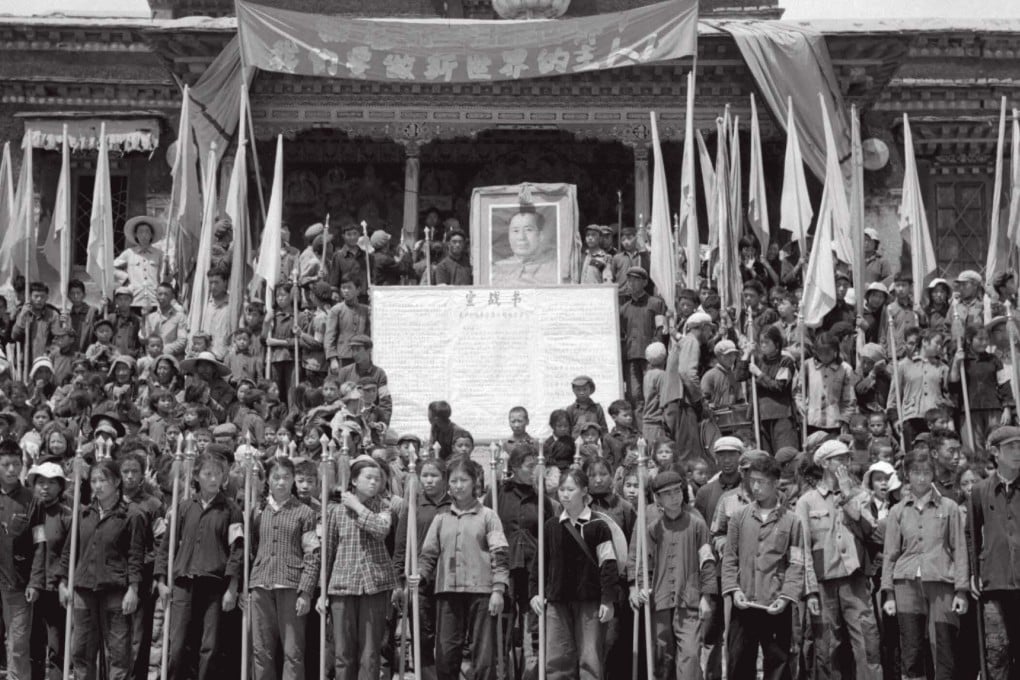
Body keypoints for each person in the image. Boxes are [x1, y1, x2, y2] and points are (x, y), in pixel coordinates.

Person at [413, 457, 508, 680]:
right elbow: (428, 556)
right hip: (447, 592)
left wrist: (498, 589)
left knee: (483, 655)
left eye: (463, 480)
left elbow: (500, 555)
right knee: (446, 652)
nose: (458, 485)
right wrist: (420, 575)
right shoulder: (441, 518)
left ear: (474, 482)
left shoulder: (488, 516)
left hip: (482, 593)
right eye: (453, 480)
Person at [796, 440, 883, 680]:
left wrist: (847, 496)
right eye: (839, 459)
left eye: (847, 458)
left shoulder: (861, 496)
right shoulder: (807, 502)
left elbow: (869, 530)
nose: (845, 464)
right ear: (824, 463)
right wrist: (810, 590)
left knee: (868, 644)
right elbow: (803, 548)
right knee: (826, 649)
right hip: (824, 584)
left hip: (855, 580)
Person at [881, 449, 969, 680]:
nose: (921, 478)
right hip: (906, 585)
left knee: (944, 645)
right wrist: (889, 594)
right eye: (916, 472)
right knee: (911, 647)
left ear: (934, 474)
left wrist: (961, 590)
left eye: (927, 472)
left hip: (941, 582)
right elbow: (890, 553)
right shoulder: (897, 511)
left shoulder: (949, 507)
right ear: (907, 475)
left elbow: (960, 549)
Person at [155, 452, 242, 680]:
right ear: (197, 476)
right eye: (208, 474)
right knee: (177, 646)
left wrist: (232, 587)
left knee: (210, 646)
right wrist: (162, 581)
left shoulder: (231, 510)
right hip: (183, 584)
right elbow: (167, 546)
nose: (213, 479)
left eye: (218, 475)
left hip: (214, 586)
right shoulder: (183, 508)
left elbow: (237, 551)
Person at [60, 458, 145, 680]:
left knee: (117, 652)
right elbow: (70, 550)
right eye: (94, 480)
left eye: (103, 480)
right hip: (84, 589)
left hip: (115, 590)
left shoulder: (131, 515)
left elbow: (136, 556)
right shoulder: (83, 514)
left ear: (117, 482)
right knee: (81, 650)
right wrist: (62, 583)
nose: (97, 485)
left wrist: (133, 589)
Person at [530, 468, 617, 680]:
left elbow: (608, 564)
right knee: (557, 658)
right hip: (557, 601)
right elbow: (540, 563)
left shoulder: (598, 526)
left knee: (590, 659)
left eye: (570, 489)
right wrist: (535, 592)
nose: (565, 494)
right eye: (561, 489)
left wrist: (608, 599)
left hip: (589, 602)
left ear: (584, 491)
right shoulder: (551, 526)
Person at [721, 454, 804, 680]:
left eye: (762, 482)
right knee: (739, 662)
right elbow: (729, 558)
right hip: (744, 603)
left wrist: (787, 597)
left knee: (778, 664)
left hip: (775, 604)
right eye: (752, 481)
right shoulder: (739, 517)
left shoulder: (792, 521)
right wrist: (733, 589)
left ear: (776, 483)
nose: (756, 487)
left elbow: (796, 564)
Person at [629, 469, 715, 680]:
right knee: (662, 657)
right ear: (658, 498)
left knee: (691, 656)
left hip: (689, 600)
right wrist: (640, 585)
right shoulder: (651, 527)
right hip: (659, 600)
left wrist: (706, 597)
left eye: (677, 491)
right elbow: (642, 561)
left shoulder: (697, 523)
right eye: (667, 494)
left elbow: (708, 561)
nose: (674, 497)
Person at [320, 455, 394, 680]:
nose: (373, 483)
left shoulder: (384, 506)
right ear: (353, 480)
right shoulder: (335, 511)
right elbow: (328, 551)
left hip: (374, 584)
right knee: (343, 651)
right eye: (368, 478)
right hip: (342, 585)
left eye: (377, 479)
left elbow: (381, 530)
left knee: (370, 651)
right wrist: (322, 590)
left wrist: (358, 507)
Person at [249, 457, 319, 680]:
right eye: (276, 477)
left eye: (286, 477)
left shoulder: (305, 513)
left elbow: (312, 554)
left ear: (293, 481)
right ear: (268, 480)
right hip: (261, 585)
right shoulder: (257, 512)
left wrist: (306, 591)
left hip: (291, 585)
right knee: (261, 650)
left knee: (293, 651)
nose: (281, 482)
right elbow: (251, 549)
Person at [969, 425, 1020, 680]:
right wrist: (972, 573)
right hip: (993, 582)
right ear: (995, 452)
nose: (1018, 452)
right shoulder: (979, 491)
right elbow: (971, 534)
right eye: (1011, 447)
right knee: (996, 650)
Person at [393, 456, 451, 678]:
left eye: (434, 475)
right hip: (419, 581)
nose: (429, 480)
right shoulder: (414, 507)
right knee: (422, 634)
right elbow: (401, 545)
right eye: (425, 475)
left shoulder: (453, 505)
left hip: (446, 578)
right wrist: (399, 579)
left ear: (444, 478)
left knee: (446, 635)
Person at [26, 460, 72, 680]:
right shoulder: (29, 512)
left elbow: (69, 552)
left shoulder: (66, 516)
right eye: (40, 482)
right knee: (34, 643)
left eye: (51, 483)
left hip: (55, 589)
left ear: (60, 487)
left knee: (57, 644)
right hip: (31, 588)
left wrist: (63, 581)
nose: (45, 487)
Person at [0, 439, 36, 680]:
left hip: (17, 583)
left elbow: (40, 544)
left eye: (16, 464)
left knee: (18, 646)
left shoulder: (32, 500)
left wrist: (34, 581)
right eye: (5, 465)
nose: (12, 470)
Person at [619, 267, 666, 411]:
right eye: (629, 280)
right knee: (635, 396)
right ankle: (640, 430)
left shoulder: (655, 303)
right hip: (631, 357)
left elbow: (661, 329)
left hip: (651, 359)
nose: (631, 283)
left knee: (652, 393)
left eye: (636, 280)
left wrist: (655, 353)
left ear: (645, 282)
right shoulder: (624, 309)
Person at [489, 209, 559, 287]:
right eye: (515, 231)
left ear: (540, 236)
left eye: (528, 230)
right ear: (508, 235)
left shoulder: (556, 269)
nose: (521, 237)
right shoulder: (496, 270)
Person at [115, 217, 164, 311]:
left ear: (151, 235)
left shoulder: (159, 254)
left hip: (154, 299)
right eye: (140, 232)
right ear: (136, 235)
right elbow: (112, 268)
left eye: (147, 232)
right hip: (134, 299)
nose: (144, 235)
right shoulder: (129, 253)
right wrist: (125, 277)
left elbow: (164, 275)